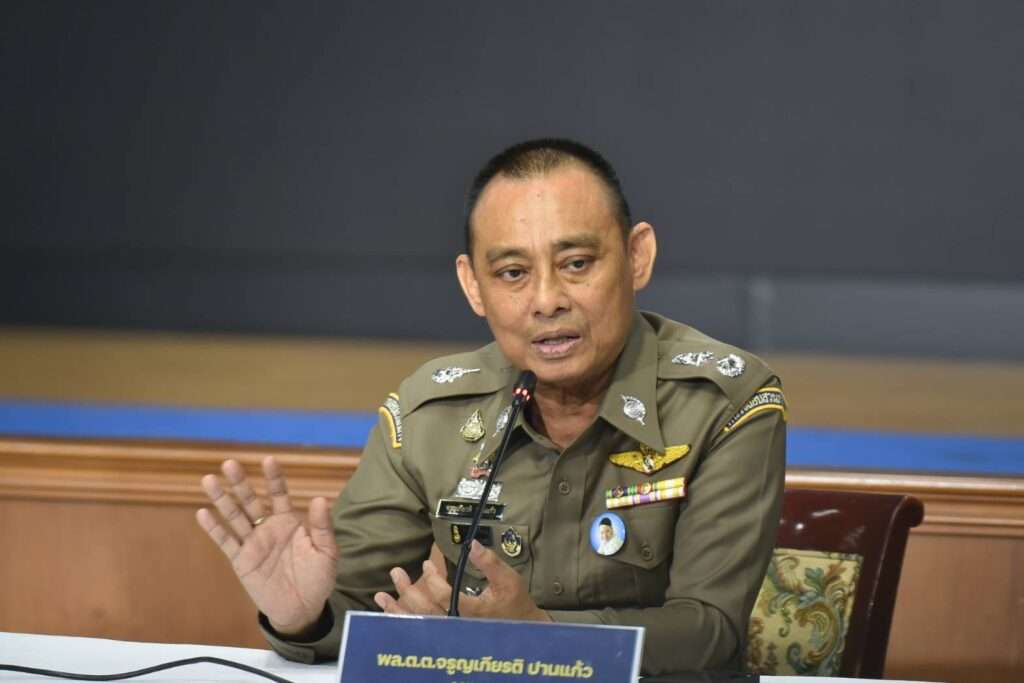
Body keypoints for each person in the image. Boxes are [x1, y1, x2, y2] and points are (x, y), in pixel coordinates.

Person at [196, 138, 787, 676]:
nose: (547, 300)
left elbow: (710, 630)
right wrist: (305, 616)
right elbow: (359, 602)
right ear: (473, 285)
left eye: (577, 264)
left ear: (637, 256)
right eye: (512, 273)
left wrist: (541, 637)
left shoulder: (724, 404)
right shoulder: (430, 413)